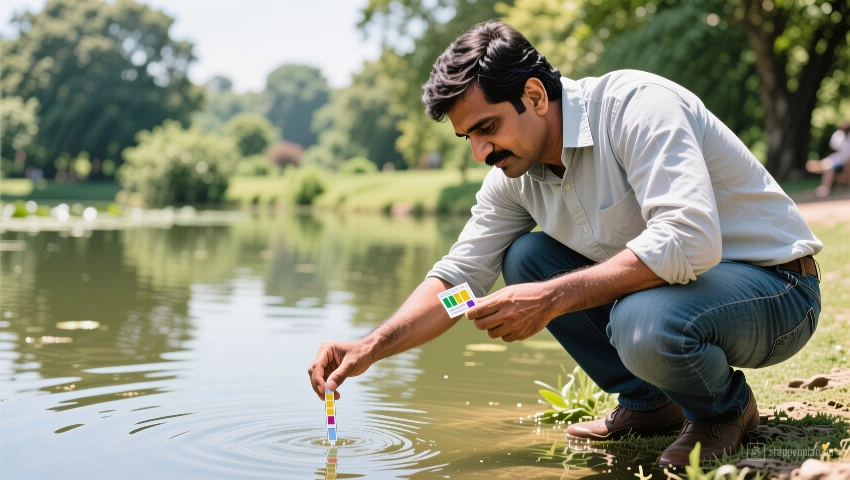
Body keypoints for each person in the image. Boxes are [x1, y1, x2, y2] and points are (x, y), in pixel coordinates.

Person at [307, 21, 823, 467]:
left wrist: (554, 298)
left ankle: (724, 411)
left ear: (534, 96)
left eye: (487, 127)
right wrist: (371, 346)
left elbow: (687, 239)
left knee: (637, 319)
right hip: (678, 296)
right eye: (469, 138)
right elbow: (459, 284)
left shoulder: (634, 106)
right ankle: (650, 404)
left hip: (777, 288)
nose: (480, 151)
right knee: (527, 258)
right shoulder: (513, 178)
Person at [806, 122, 850, 197]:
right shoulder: (839, 135)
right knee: (829, 168)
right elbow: (836, 148)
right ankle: (826, 187)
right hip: (839, 160)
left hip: (846, 161)